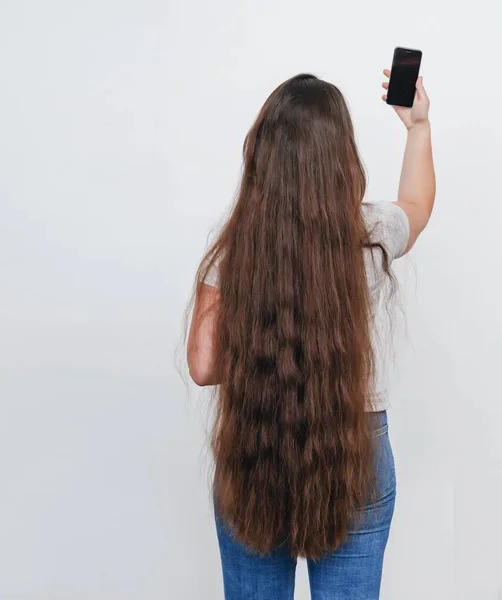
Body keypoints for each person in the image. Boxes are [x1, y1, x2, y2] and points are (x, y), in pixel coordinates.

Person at [186, 70, 434, 599]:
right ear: (341, 158)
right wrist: (418, 128)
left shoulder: (234, 247)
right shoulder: (371, 233)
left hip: (257, 444)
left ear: (263, 157)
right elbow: (418, 206)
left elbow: (204, 366)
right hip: (355, 453)